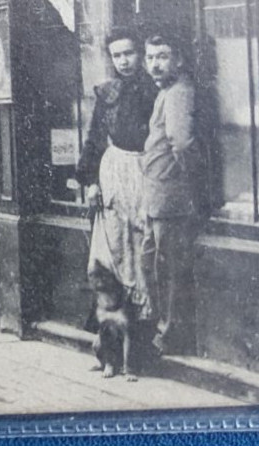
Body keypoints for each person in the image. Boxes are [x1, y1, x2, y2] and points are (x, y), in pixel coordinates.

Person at [77, 28, 159, 317]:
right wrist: (90, 182)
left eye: (129, 53)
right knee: (113, 243)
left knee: (143, 240)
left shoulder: (155, 90)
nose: (123, 61)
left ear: (140, 54)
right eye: (117, 55)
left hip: (145, 170)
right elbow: (95, 138)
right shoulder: (108, 93)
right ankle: (112, 320)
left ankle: (144, 320)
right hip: (114, 174)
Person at [139, 32, 203, 355]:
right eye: (150, 57)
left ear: (178, 58)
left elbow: (181, 144)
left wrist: (190, 184)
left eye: (162, 56)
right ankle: (160, 328)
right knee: (152, 263)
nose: (155, 64)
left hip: (171, 196)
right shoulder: (165, 91)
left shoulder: (179, 92)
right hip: (157, 196)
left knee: (167, 268)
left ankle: (169, 334)